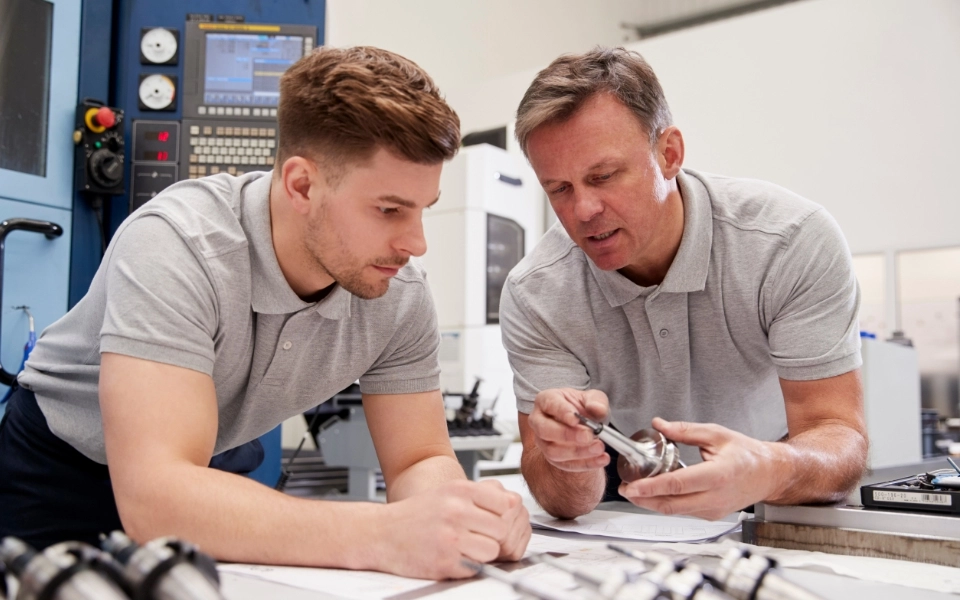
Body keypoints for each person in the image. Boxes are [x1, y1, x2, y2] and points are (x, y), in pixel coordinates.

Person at [0, 46, 530, 580]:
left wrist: (464, 522)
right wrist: (384, 534)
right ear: (302, 185)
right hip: (61, 474)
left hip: (204, 475)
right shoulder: (178, 244)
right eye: (389, 209)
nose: (416, 244)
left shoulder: (400, 294)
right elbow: (156, 501)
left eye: (422, 210)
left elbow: (419, 459)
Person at [501, 47, 867, 521]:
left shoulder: (789, 242)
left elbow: (837, 436)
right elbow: (562, 500)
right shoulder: (536, 294)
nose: (583, 211)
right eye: (559, 189)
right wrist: (566, 458)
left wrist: (766, 469)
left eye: (604, 176)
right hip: (633, 503)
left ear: (669, 154)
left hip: (780, 489)